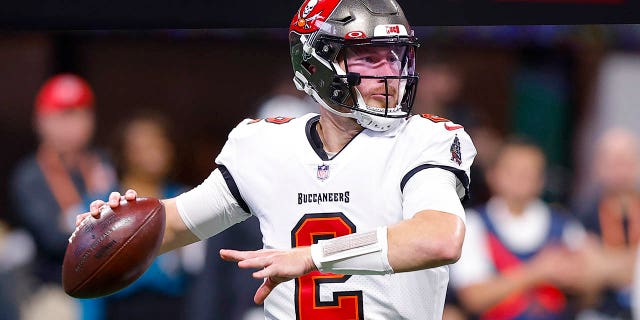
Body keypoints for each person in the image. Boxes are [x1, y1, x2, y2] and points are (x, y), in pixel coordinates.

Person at [79, 0, 477, 319]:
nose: (390, 72)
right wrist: (107, 226)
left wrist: (311, 257)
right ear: (314, 63)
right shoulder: (265, 144)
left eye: (396, 56)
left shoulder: (424, 139)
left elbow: (438, 238)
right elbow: (181, 223)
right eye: (370, 58)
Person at [449, 138, 602, 319]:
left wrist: (579, 277)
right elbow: (473, 297)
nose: (521, 180)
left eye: (529, 173)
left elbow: (592, 290)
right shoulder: (474, 225)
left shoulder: (565, 225)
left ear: (541, 180)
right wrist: (539, 271)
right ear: (493, 176)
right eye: (513, 172)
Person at [10, 73, 117, 319]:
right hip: (55, 290)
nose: (72, 125)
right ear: (41, 121)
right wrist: (97, 217)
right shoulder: (31, 174)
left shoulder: (101, 162)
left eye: (80, 114)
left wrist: (71, 219)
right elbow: (53, 237)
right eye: (62, 116)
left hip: (105, 286)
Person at [80, 113, 204, 320]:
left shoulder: (185, 199)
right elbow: (88, 276)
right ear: (124, 153)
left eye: (160, 144)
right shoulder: (104, 205)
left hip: (175, 307)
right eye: (144, 146)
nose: (155, 153)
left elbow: (200, 271)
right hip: (121, 308)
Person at [576, 127, 640, 319]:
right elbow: (585, 278)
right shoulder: (583, 213)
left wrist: (604, 262)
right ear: (597, 165)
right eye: (611, 161)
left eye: (624, 160)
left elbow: (597, 267)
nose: (618, 168)